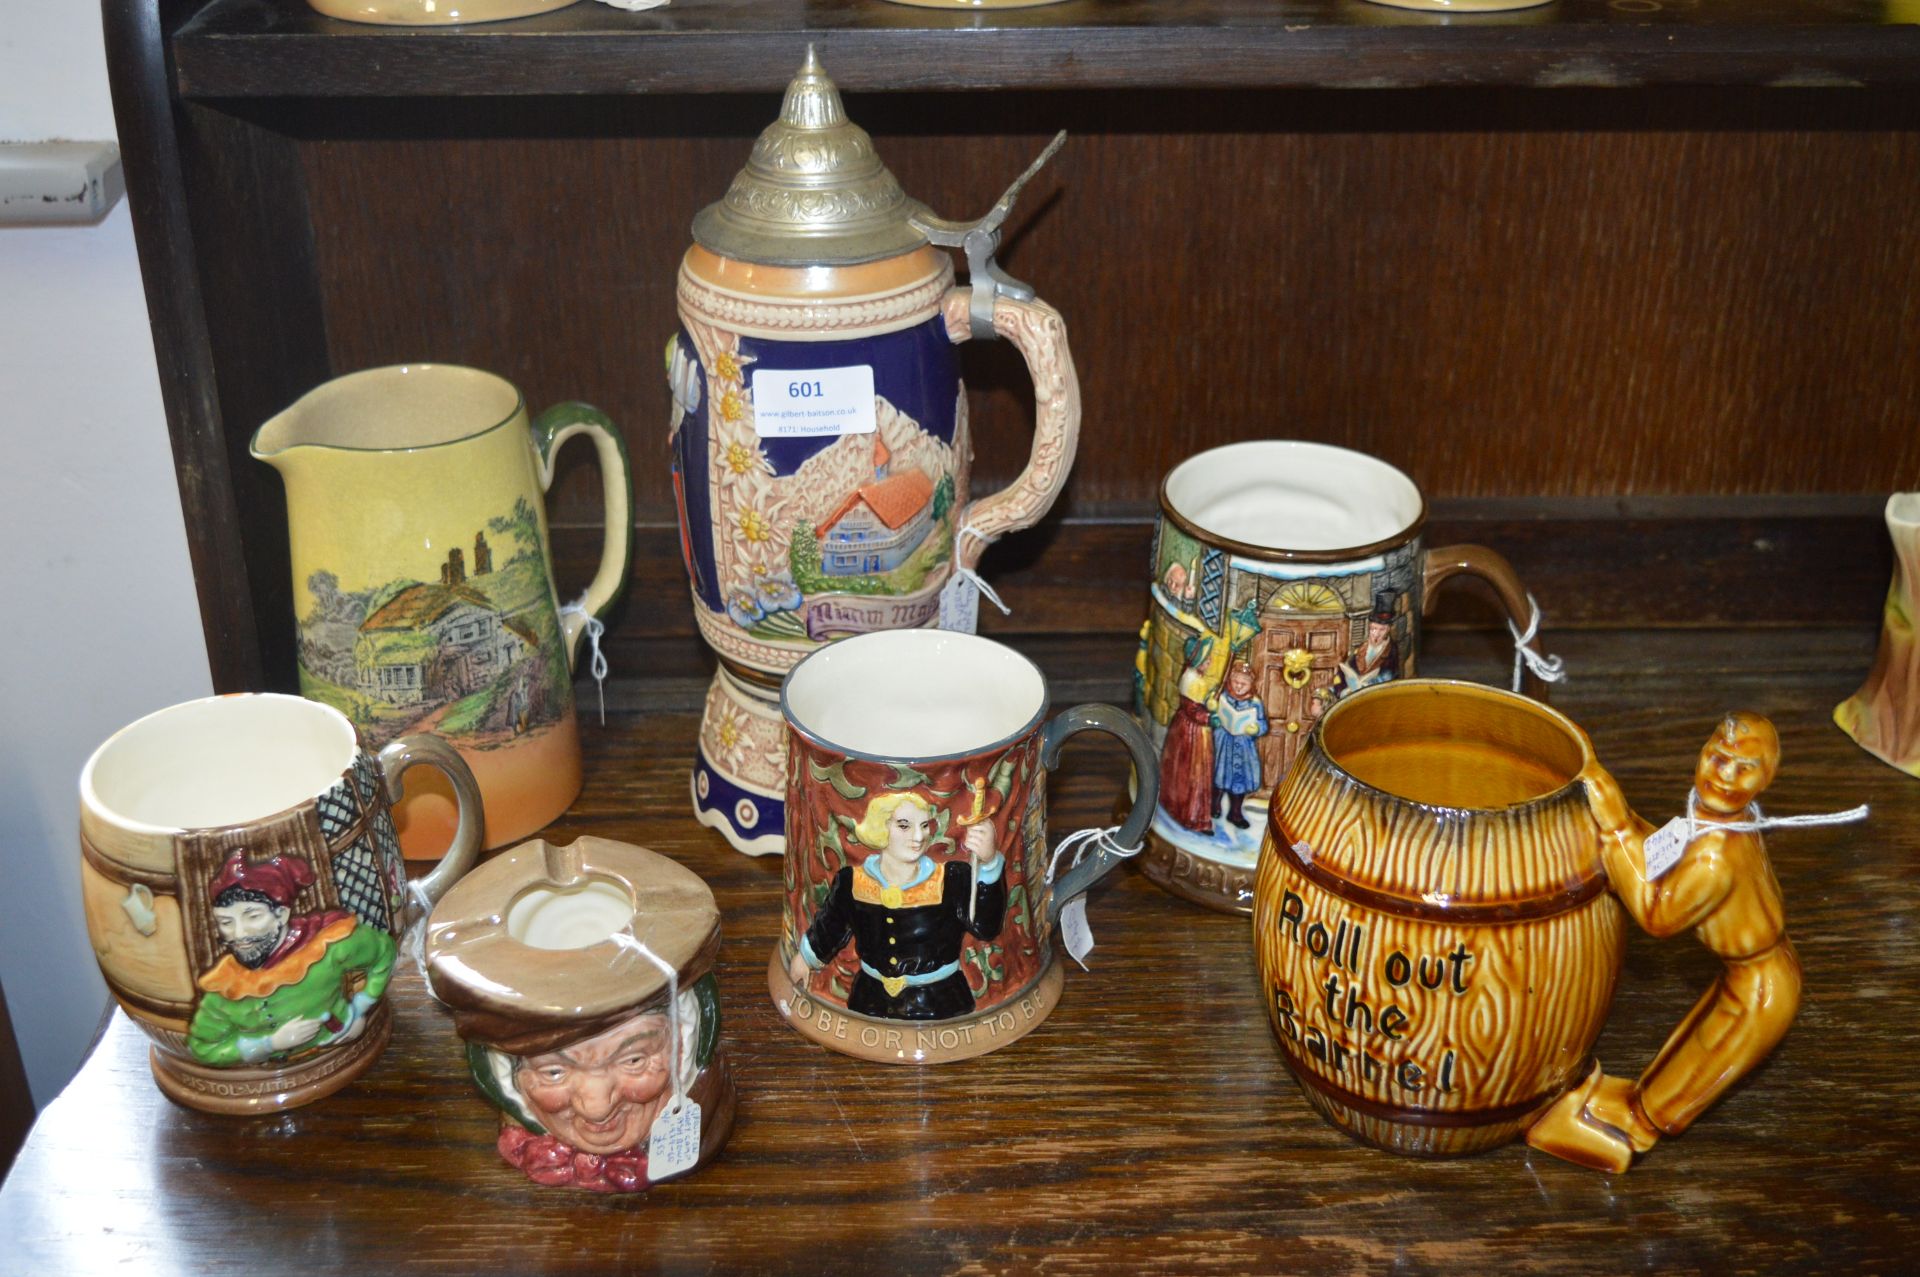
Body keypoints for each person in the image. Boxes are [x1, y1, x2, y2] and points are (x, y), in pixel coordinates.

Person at [1526, 713, 1802, 1173]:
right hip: (1753, 975)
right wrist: (1623, 816)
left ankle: (1620, 1136)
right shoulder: (1720, 820)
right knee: (1684, 1055)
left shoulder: (1717, 855)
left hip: (1762, 988)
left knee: (1687, 1081)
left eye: (1744, 767)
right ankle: (1628, 1106)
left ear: (1766, 778)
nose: (1724, 775)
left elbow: (1657, 915)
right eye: (1718, 757)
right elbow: (1661, 853)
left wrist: (1616, 831)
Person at [787, 790, 1006, 1020]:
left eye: (924, 826)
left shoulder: (952, 879)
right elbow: (830, 929)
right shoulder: (852, 882)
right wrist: (804, 958)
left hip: (941, 1002)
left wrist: (989, 861)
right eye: (904, 826)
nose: (919, 837)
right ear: (881, 827)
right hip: (870, 1000)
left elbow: (986, 927)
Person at [186, 851, 396, 1067]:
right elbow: (203, 1049)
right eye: (226, 922)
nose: (239, 934)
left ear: (282, 915)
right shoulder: (224, 987)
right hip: (261, 1089)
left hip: (345, 1049)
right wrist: (269, 1044)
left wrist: (360, 1008)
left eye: (253, 916)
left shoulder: (326, 947)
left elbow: (384, 952)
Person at [1157, 632, 1218, 833]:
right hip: (1193, 732)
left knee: (1186, 770)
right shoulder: (1193, 680)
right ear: (1199, 660)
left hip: (1188, 729)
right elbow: (1193, 710)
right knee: (1194, 772)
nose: (1209, 662)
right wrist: (1210, 717)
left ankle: (1181, 810)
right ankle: (1193, 817)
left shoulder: (1192, 676)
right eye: (1207, 658)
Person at [1210, 660, 1267, 829]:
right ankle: (1214, 805)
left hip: (1243, 746)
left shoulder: (1255, 702)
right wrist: (1214, 713)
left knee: (1239, 780)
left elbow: (1263, 724)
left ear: (1251, 685)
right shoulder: (1223, 695)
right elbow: (1213, 714)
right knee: (1219, 775)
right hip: (1223, 743)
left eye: (1244, 684)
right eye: (1236, 682)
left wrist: (1255, 728)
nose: (1239, 687)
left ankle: (1235, 813)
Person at [1338, 594, 1401, 694]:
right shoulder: (1361, 647)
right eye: (1373, 629)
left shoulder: (1391, 651)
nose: (1376, 634)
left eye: (1382, 630)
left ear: (1388, 629)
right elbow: (1345, 671)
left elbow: (1391, 676)